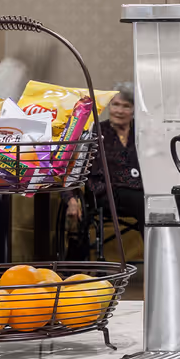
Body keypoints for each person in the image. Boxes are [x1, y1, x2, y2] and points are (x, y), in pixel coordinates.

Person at [68, 86, 143, 242]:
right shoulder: (95, 132)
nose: (119, 111)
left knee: (156, 202)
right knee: (144, 203)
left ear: (134, 109)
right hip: (105, 193)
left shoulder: (142, 132)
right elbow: (74, 168)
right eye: (115, 105)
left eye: (126, 106)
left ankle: (158, 248)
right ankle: (154, 249)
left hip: (139, 191)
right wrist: (71, 199)